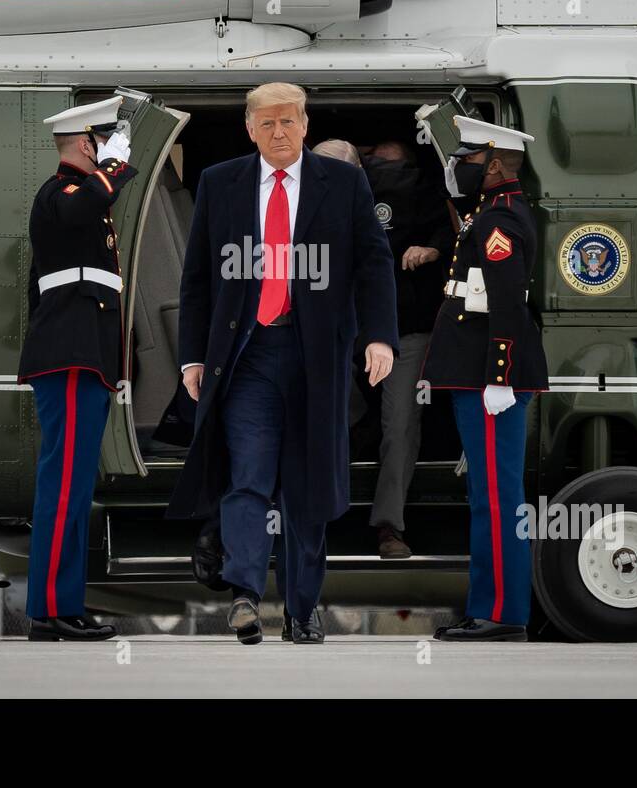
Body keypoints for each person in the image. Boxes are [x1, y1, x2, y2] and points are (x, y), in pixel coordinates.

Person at [168, 82, 399, 644]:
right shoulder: (220, 183)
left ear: (305, 125)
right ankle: (245, 595)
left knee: (307, 486)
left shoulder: (342, 182)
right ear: (250, 129)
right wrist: (192, 356)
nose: (279, 132)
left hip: (315, 355)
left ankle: (301, 610)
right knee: (245, 475)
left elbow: (374, 262)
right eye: (267, 123)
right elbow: (197, 277)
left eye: (288, 122)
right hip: (246, 357)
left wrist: (380, 338)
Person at [420, 117, 549, 642]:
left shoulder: (501, 220)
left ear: (495, 164)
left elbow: (507, 304)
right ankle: (489, 607)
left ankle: (502, 613)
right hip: (476, 375)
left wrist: (500, 375)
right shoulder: (491, 213)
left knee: (497, 497)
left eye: (468, 160)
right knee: (487, 495)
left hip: (489, 379)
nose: (460, 168)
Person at [18, 96, 136, 642]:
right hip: (68, 359)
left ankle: (61, 604)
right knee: (62, 485)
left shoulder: (82, 200)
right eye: (102, 144)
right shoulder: (61, 194)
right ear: (88, 143)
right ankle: (51, 608)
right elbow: (81, 206)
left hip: (82, 358)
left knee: (73, 484)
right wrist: (112, 167)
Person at [360, 140, 454, 558]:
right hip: (350, 332)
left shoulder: (433, 199)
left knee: (399, 426)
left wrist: (437, 248)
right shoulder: (342, 191)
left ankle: (388, 524)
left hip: (404, 332)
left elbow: (456, 236)